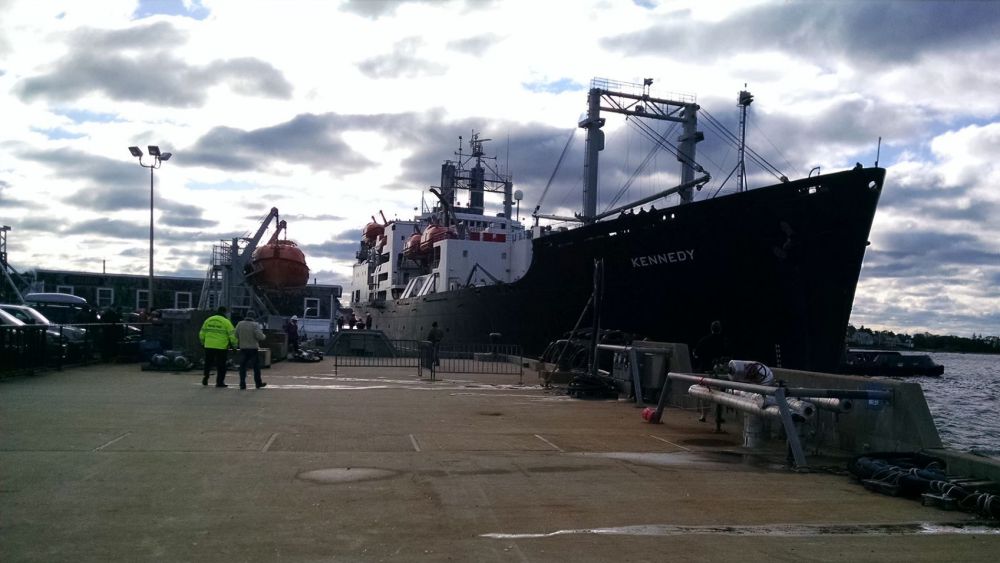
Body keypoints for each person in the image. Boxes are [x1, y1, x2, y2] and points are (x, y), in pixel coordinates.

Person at [199, 306, 236, 387]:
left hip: (209, 345)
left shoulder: (208, 320)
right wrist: (234, 346)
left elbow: (202, 333)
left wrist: (203, 343)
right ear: (224, 312)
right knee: (221, 365)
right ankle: (219, 382)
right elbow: (232, 335)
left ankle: (206, 377)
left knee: (208, 363)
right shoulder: (226, 322)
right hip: (221, 347)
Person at [235, 310, 267, 390]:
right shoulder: (255, 325)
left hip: (243, 348)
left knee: (242, 366)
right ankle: (258, 383)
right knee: (256, 367)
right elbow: (260, 337)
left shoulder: (240, 324)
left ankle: (242, 383)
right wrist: (264, 336)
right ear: (254, 317)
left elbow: (236, 335)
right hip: (253, 349)